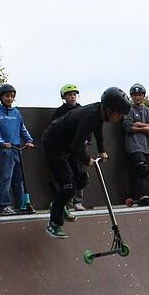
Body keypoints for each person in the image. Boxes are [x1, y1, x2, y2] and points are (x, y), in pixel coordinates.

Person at [42, 87, 132, 238]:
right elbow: (76, 148)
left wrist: (102, 150)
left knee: (82, 179)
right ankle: (54, 224)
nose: (119, 117)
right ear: (110, 109)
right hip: (54, 145)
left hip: (67, 145)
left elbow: (98, 130)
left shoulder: (98, 111)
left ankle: (59, 203)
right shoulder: (90, 116)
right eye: (119, 113)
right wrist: (87, 159)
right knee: (68, 186)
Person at [0, 83, 35, 216]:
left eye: (11, 96)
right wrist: (2, 143)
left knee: (19, 179)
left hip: (17, 149)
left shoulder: (16, 113)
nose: (9, 99)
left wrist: (29, 141)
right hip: (6, 150)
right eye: (7, 96)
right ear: (1, 97)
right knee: (6, 178)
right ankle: (5, 205)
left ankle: (21, 204)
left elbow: (22, 128)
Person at [51, 84, 87, 212]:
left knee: (81, 174)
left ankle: (78, 201)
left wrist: (87, 139)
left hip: (79, 148)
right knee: (67, 175)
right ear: (64, 97)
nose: (72, 97)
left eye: (74, 94)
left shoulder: (82, 109)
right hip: (65, 149)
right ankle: (67, 201)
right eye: (69, 95)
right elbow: (54, 129)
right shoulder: (59, 112)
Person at [122, 83, 149, 203]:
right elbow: (127, 126)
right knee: (142, 168)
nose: (137, 97)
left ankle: (136, 196)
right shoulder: (128, 109)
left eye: (140, 95)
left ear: (144, 96)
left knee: (141, 171)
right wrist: (143, 127)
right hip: (134, 145)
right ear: (131, 96)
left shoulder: (147, 110)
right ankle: (142, 195)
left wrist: (137, 123)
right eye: (135, 95)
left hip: (146, 146)